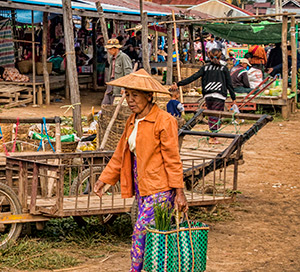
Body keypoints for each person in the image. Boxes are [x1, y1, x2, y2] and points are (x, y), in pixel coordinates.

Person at [93, 69, 187, 272]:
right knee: (154, 234)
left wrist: (179, 193)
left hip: (160, 188)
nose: (130, 100)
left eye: (135, 95)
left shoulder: (164, 121)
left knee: (140, 231)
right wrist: (104, 179)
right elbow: (121, 153)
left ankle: (135, 270)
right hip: (142, 187)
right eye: (127, 95)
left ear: (149, 96)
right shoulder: (132, 121)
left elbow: (173, 159)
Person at [174, 48, 236, 135]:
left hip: (208, 95)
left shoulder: (205, 68)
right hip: (219, 95)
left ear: (209, 57)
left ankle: (213, 134)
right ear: (220, 57)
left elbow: (193, 77)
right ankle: (213, 136)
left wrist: (178, 84)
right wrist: (233, 98)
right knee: (217, 116)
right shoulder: (223, 69)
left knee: (212, 115)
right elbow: (229, 84)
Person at [102, 38, 133, 106]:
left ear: (116, 48)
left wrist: (124, 87)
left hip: (119, 83)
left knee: (116, 102)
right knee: (106, 103)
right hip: (112, 82)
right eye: (108, 49)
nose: (109, 51)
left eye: (110, 49)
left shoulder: (123, 57)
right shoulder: (111, 58)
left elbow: (128, 73)